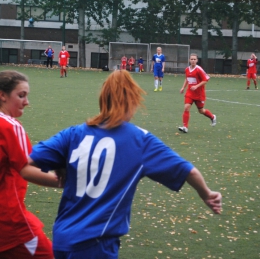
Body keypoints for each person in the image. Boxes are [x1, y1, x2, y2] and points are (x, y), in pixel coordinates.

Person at [20, 70, 222, 259]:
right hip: (96, 243)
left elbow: (25, 164)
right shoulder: (141, 140)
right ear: (132, 101)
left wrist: (60, 175)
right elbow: (189, 171)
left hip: (62, 240)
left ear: (103, 100)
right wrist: (207, 194)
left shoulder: (73, 134)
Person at [0, 70, 58, 259]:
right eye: (21, 95)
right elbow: (27, 169)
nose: (27, 102)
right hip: (10, 223)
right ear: (2, 95)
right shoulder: (10, 126)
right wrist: (68, 181)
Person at [179, 53, 216, 133]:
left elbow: (206, 80)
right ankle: (185, 127)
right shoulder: (187, 69)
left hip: (199, 94)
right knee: (186, 107)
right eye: (191, 59)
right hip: (190, 93)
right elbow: (187, 78)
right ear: (189, 60)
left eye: (194, 59)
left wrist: (196, 86)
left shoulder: (199, 69)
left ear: (197, 60)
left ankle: (212, 117)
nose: (193, 61)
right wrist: (183, 87)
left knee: (201, 111)